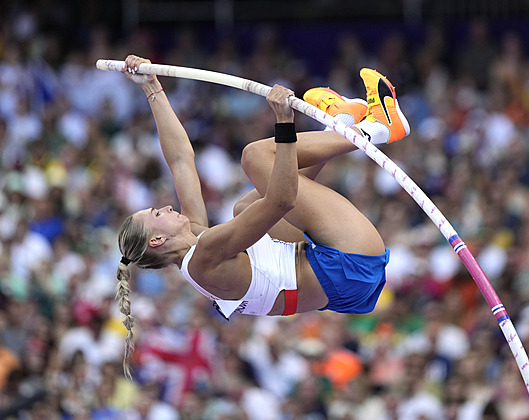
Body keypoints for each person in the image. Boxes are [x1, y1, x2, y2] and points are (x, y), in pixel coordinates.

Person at [116, 55, 410, 376]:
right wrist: (284, 123)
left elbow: (180, 160)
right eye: (157, 213)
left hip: (343, 283)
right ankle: (374, 129)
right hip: (348, 262)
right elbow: (282, 201)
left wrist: (153, 89)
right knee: (256, 157)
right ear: (158, 240)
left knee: (244, 209)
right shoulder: (205, 254)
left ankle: (341, 125)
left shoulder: (199, 241)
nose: (167, 207)